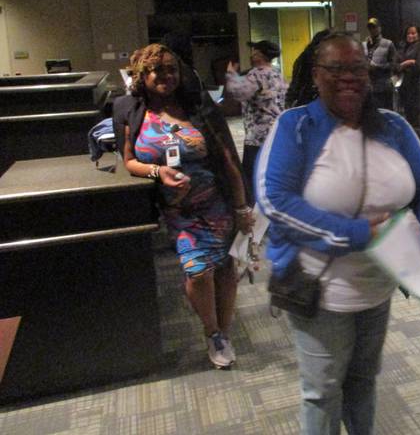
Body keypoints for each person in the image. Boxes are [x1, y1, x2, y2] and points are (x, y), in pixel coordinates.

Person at [254, 32, 420, 435]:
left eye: (358, 68)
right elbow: (274, 201)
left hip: (376, 286)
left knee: (363, 382)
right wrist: (356, 233)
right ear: (316, 74)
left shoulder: (393, 127)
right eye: (336, 69)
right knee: (323, 391)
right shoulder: (296, 126)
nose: (349, 77)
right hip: (319, 289)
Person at [113, 44, 253, 369]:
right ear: (142, 75)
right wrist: (158, 171)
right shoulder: (129, 109)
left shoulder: (197, 106)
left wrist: (242, 208)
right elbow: (129, 160)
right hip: (177, 209)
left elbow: (228, 159)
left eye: (172, 70)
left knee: (225, 268)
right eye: (157, 70)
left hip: (215, 202)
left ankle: (224, 332)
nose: (166, 76)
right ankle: (212, 330)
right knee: (198, 269)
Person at [225, 40, 287, 191]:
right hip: (276, 130)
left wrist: (231, 74)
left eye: (254, 52)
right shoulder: (276, 73)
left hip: (257, 134)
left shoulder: (256, 73)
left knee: (254, 174)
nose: (251, 55)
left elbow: (239, 93)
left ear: (259, 55)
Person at [286, 29, 330, 108]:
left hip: (305, 100)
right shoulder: (309, 59)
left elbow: (296, 83)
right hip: (312, 101)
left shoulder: (303, 57)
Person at [397, 24, 420, 128]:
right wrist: (409, 62)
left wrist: (406, 64)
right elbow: (396, 64)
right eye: (408, 33)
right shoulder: (403, 46)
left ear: (418, 34)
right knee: (408, 117)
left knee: (419, 118)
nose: (410, 36)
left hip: (419, 87)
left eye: (413, 33)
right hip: (406, 88)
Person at [364, 18, 397, 110]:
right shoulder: (364, 45)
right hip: (368, 86)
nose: (372, 30)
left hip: (383, 85)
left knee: (385, 113)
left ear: (379, 28)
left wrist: (377, 67)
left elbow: (393, 65)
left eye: (374, 27)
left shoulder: (388, 44)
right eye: (370, 28)